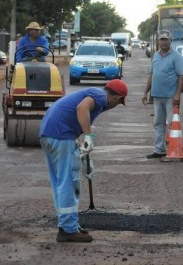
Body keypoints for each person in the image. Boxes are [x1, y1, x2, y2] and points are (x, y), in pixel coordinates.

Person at [39, 79, 128, 243]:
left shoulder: (95, 94)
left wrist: (85, 154)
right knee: (68, 183)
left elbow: (78, 122)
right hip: (60, 135)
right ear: (118, 98)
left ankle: (67, 224)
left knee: (60, 182)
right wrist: (88, 137)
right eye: (118, 102)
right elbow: (82, 108)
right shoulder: (100, 97)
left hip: (50, 134)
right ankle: (68, 230)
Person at [142, 30, 183, 159]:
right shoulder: (155, 55)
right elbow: (152, 75)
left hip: (171, 96)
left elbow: (181, 76)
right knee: (158, 123)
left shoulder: (176, 56)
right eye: (161, 39)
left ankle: (175, 149)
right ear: (158, 41)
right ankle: (159, 150)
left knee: (172, 123)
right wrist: (145, 92)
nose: (164, 42)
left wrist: (178, 95)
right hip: (157, 95)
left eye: (166, 39)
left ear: (170, 41)